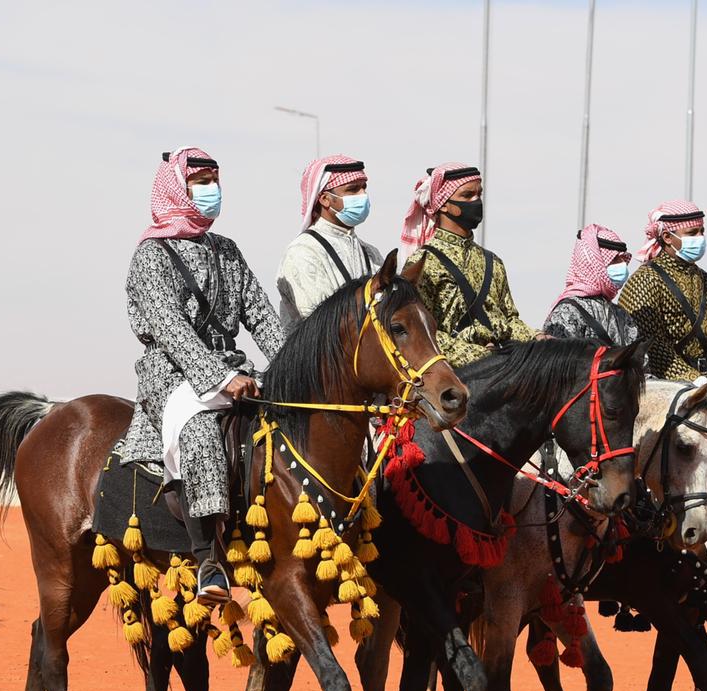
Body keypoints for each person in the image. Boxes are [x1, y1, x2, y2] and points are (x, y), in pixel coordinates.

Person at [120, 147, 285, 604]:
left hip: (230, 365)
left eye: (215, 180)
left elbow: (262, 315)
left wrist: (294, 367)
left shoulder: (227, 251)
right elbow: (170, 329)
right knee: (198, 432)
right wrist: (218, 379)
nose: (212, 191)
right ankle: (207, 559)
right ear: (178, 189)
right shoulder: (150, 256)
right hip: (172, 375)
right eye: (202, 182)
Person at [400, 162, 538, 366]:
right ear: (443, 203)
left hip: (500, 369)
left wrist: (539, 338)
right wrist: (481, 357)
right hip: (453, 379)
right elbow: (420, 332)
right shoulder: (423, 263)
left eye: (479, 195)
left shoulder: (493, 262)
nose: (476, 201)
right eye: (467, 196)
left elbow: (509, 321)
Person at [617, 199, 707, 383]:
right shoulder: (644, 281)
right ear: (667, 237)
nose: (700, 237)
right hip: (663, 387)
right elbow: (649, 344)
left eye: (702, 231)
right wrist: (692, 379)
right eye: (692, 233)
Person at [275, 154, 383, 326]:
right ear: (325, 199)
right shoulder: (303, 252)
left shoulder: (370, 253)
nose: (363, 195)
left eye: (364, 187)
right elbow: (323, 323)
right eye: (353, 189)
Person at [542, 224, 639, 346]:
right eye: (614, 260)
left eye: (623, 259)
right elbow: (558, 361)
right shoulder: (567, 311)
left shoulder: (620, 313)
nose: (622, 265)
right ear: (592, 263)